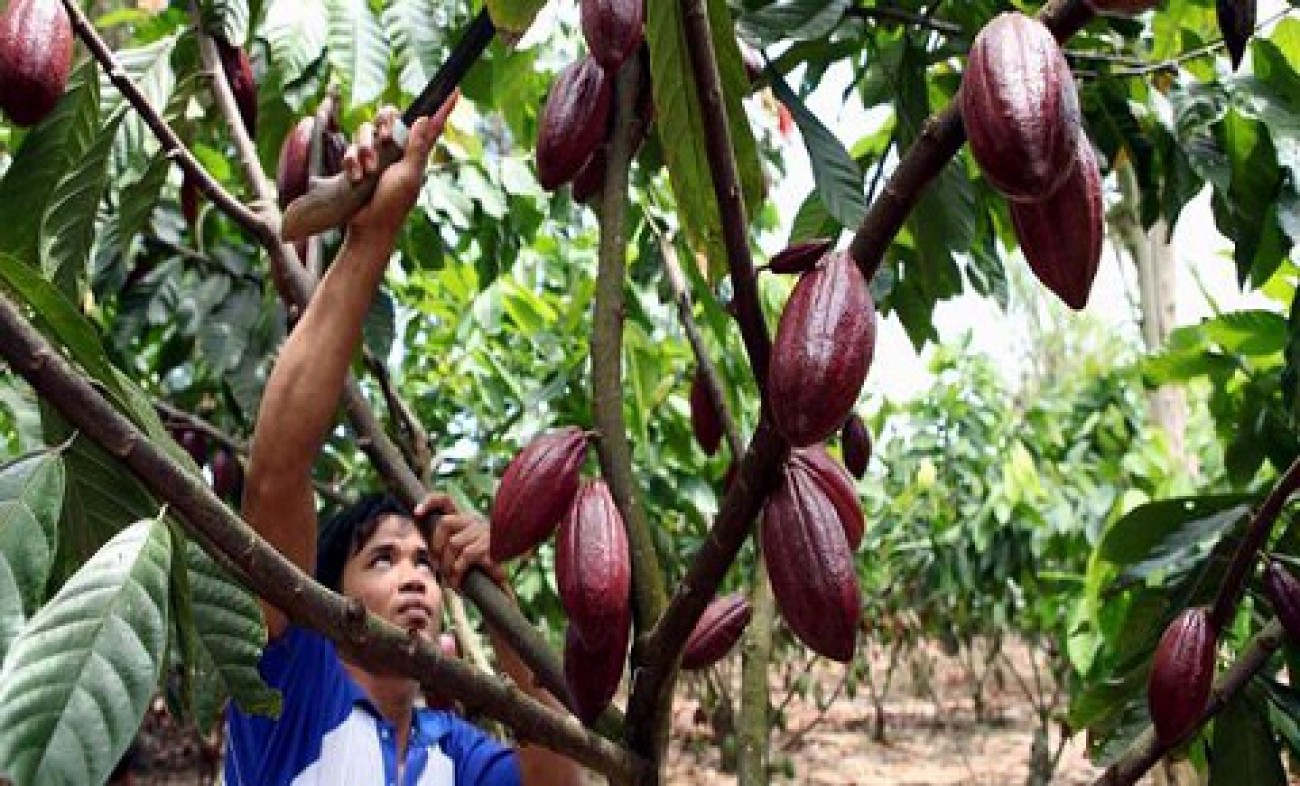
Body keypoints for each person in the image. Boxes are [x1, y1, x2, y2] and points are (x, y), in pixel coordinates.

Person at [224, 95, 583, 786]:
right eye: (382, 560)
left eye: (424, 563)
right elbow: (275, 474)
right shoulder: (290, 690)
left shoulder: (457, 754)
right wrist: (370, 239)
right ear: (329, 597)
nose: (415, 577)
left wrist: (501, 607)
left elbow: (558, 781)